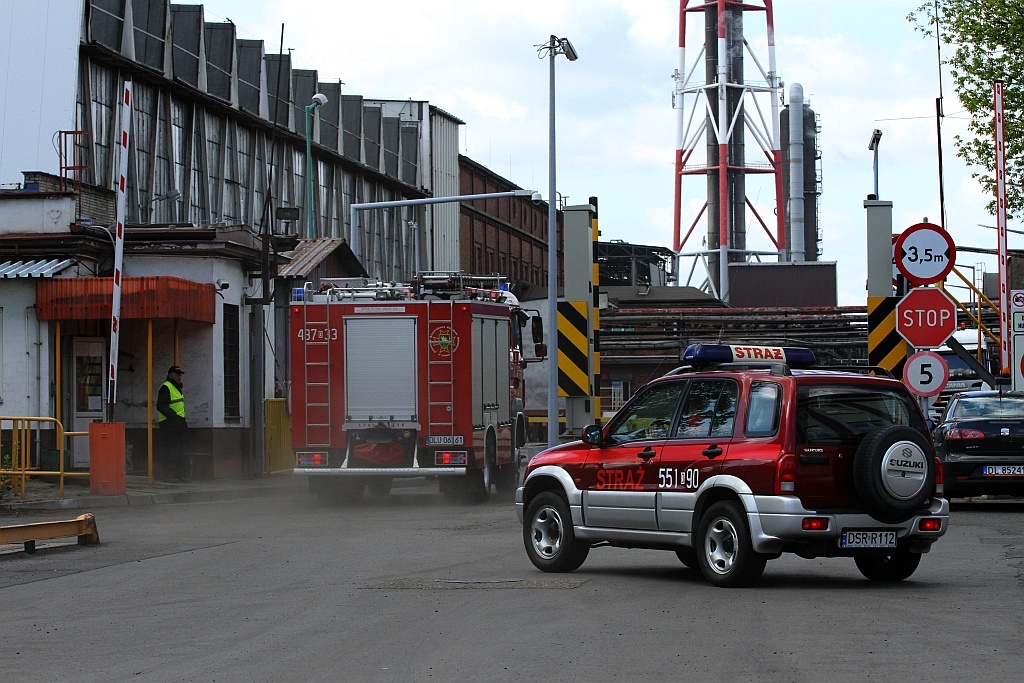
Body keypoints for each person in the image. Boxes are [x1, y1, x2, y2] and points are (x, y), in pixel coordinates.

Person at [157, 365, 190, 482]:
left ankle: (179, 475)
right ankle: (169, 475)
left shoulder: (176, 388)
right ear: (170, 375)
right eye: (177, 375)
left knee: (179, 450)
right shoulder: (166, 387)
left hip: (178, 423)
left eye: (180, 375)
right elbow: (161, 406)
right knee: (172, 450)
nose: (179, 377)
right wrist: (174, 417)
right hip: (170, 424)